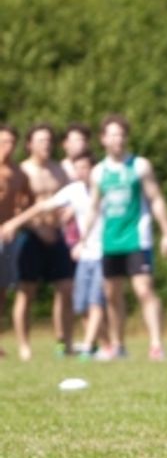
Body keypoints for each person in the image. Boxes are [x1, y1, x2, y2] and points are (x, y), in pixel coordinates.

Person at [76, 114, 167, 361]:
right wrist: (83, 239)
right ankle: (118, 344)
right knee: (112, 294)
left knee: (144, 290)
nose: (117, 140)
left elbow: (156, 199)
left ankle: (156, 344)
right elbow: (93, 207)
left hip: (137, 238)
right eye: (112, 135)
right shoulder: (98, 172)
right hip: (110, 240)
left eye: (121, 135)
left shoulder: (140, 166)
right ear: (103, 139)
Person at [3, 150, 108, 359]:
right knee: (79, 302)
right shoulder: (72, 189)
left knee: (88, 297)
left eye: (85, 167)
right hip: (76, 249)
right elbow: (41, 206)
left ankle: (89, 345)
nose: (81, 172)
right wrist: (14, 223)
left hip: (103, 250)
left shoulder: (105, 188)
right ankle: (97, 344)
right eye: (77, 168)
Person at [13, 124, 77, 357]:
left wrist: (67, 216)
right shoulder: (22, 171)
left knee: (66, 287)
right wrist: (37, 228)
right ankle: (24, 346)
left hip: (57, 234)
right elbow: (17, 208)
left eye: (49, 140)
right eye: (41, 140)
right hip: (30, 235)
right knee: (27, 291)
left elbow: (72, 197)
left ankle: (65, 342)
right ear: (30, 144)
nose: (46, 145)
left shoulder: (59, 170)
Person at [0, 126, 29, 359]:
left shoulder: (19, 173)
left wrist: (15, 219)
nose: (7, 147)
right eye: (2, 142)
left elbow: (25, 201)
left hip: (7, 238)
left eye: (11, 142)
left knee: (2, 290)